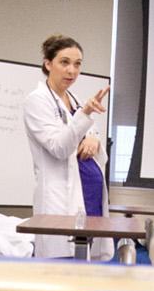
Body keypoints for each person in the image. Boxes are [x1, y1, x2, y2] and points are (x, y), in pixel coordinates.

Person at [23, 33, 108, 259]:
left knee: (86, 269)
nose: (72, 70)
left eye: (77, 64)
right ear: (48, 63)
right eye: (65, 62)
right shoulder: (37, 101)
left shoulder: (74, 99)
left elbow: (92, 140)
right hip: (59, 200)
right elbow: (59, 148)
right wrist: (86, 114)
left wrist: (95, 140)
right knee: (62, 269)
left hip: (88, 196)